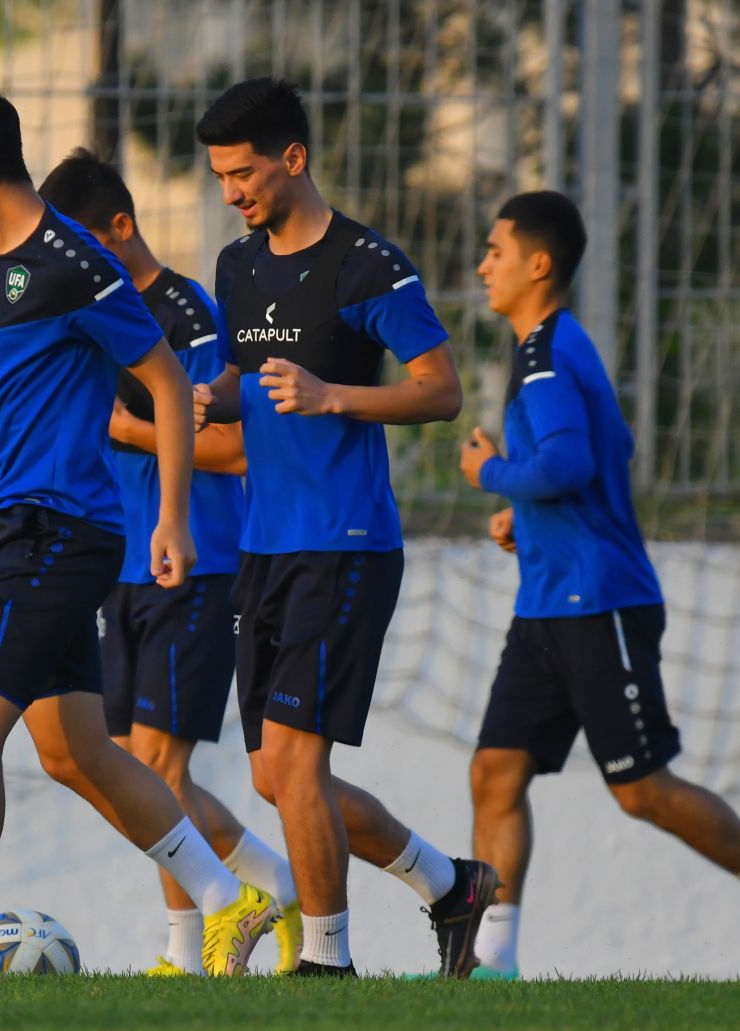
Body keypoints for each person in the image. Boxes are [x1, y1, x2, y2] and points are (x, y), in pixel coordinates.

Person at [0, 78, 278, 978]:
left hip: (61, 529)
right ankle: (229, 897)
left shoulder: (76, 264)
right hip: (12, 526)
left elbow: (163, 381)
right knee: (76, 750)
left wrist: (172, 517)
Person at [191, 77, 496, 977]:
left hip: (346, 542)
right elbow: (249, 376)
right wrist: (215, 395)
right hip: (263, 543)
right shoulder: (236, 266)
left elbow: (441, 389)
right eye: (218, 176)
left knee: (292, 761)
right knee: (274, 776)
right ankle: (448, 883)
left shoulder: (371, 265)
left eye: (243, 173)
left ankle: (326, 963)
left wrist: (335, 397)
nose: (231, 193)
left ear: (295, 157)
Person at [460, 190, 740, 979]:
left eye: (496, 251)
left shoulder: (547, 356)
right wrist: (527, 506)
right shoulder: (549, 346)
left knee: (642, 790)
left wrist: (494, 474)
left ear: (538, 264)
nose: (483, 265)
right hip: (548, 600)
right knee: (495, 771)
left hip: (598, 601)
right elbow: (612, 444)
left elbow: (574, 461)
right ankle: (490, 964)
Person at [37, 148, 301, 976]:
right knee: (128, 765)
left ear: (122, 227)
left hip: (200, 560)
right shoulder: (87, 311)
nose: (68, 260)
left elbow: (235, 448)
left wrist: (131, 432)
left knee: (159, 764)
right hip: (119, 562)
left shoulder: (185, 313)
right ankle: (269, 880)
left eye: (82, 240)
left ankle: (192, 947)